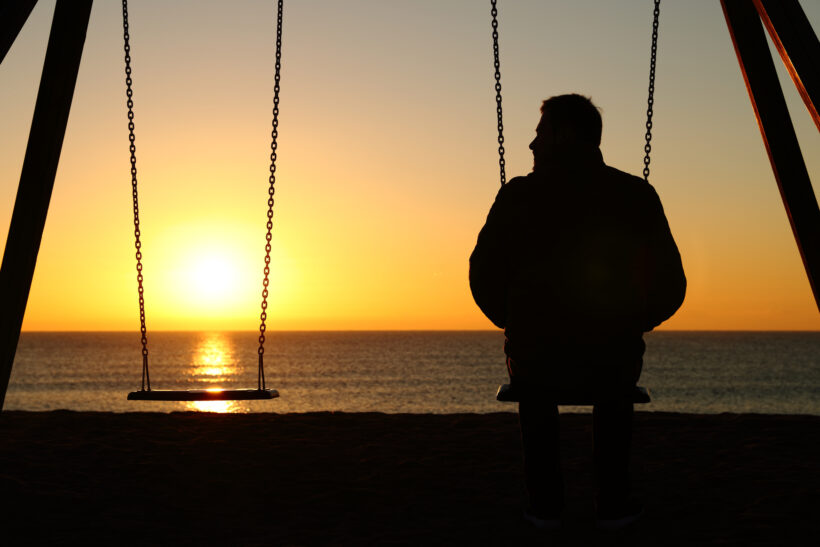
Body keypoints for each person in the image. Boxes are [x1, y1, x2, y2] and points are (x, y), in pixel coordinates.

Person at [469, 94, 685, 531]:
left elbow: (482, 275)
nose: (532, 144)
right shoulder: (634, 195)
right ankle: (613, 505)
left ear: (564, 136)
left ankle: (545, 507)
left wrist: (513, 321)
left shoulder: (518, 196)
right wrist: (632, 321)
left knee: (534, 375)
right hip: (611, 355)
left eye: (540, 133)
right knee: (614, 375)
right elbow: (671, 285)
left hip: (536, 354)